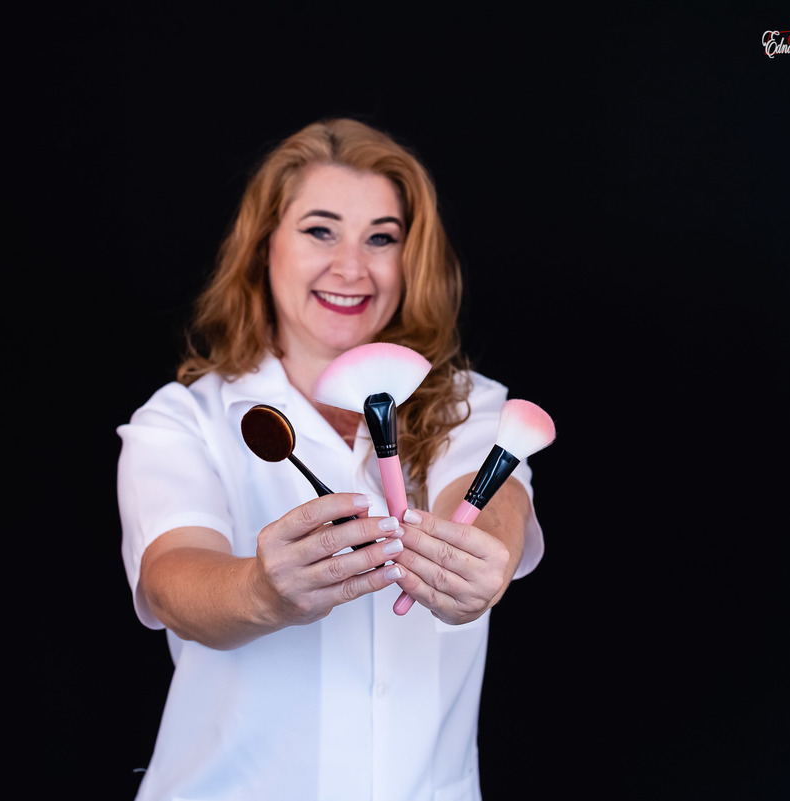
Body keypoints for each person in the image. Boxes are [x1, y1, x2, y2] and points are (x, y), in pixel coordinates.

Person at [117, 118, 545, 801]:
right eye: (320, 230)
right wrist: (261, 590)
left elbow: (492, 493)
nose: (351, 268)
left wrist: (482, 555)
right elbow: (173, 579)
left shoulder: (471, 404)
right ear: (264, 245)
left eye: (382, 237)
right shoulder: (183, 420)